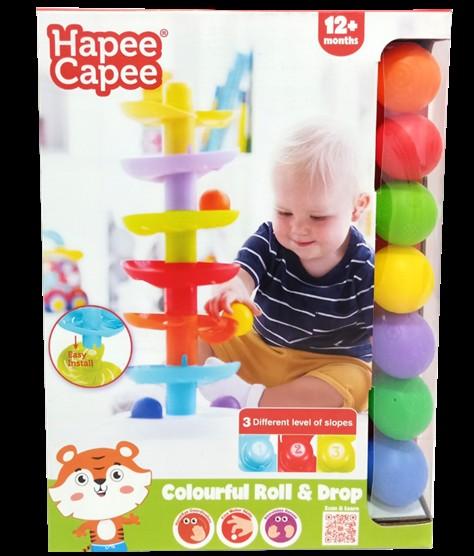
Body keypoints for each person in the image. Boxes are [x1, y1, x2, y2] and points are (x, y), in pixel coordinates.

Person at [199, 122, 374, 411]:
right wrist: (232, 292)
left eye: (317, 217)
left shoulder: (364, 268)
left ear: (357, 207)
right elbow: (240, 276)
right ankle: (162, 390)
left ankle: (250, 400)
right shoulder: (269, 240)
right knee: (195, 330)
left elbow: (379, 336)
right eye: (284, 212)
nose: (298, 228)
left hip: (326, 367)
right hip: (260, 351)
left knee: (357, 382)